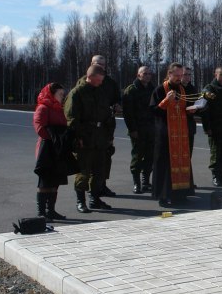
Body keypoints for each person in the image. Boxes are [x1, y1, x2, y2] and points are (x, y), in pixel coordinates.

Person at [65, 65, 115, 213]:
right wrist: (78, 137)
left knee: (100, 172)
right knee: (83, 171)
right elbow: (71, 118)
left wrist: (109, 136)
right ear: (91, 77)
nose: (101, 82)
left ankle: (95, 199)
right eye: (99, 79)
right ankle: (81, 201)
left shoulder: (101, 93)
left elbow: (107, 115)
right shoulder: (77, 93)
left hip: (100, 138)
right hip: (85, 138)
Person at [150, 63, 197, 206]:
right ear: (169, 74)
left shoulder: (182, 89)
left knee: (182, 162)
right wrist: (165, 101)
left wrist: (192, 110)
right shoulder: (160, 89)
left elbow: (183, 109)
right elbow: (153, 111)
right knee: (164, 165)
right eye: (176, 75)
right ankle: (163, 197)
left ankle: (180, 195)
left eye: (180, 75)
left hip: (181, 134)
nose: (179, 78)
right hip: (165, 134)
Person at [77, 54, 121, 197]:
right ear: (91, 64)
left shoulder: (110, 83)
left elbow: (117, 99)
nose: (101, 66)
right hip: (88, 130)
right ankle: (86, 194)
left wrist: (116, 106)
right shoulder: (82, 84)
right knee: (86, 163)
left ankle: (101, 186)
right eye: (98, 64)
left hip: (105, 127)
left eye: (103, 64)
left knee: (104, 159)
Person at [33, 82, 73, 220]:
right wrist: (56, 138)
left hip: (57, 149)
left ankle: (51, 210)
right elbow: (40, 129)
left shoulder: (59, 109)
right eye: (60, 94)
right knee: (45, 182)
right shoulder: (43, 108)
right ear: (52, 94)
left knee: (55, 181)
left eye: (63, 94)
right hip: (46, 149)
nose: (63, 97)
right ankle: (41, 212)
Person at [121, 66, 154, 194]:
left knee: (150, 156)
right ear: (138, 75)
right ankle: (137, 183)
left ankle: (146, 181)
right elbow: (128, 113)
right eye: (145, 73)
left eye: (149, 74)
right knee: (137, 156)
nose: (147, 76)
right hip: (138, 129)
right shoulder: (131, 90)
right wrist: (132, 129)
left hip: (151, 129)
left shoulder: (153, 89)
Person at [201, 66, 222, 186]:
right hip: (214, 125)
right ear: (215, 74)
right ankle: (215, 175)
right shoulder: (209, 89)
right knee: (216, 151)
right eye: (221, 75)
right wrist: (207, 127)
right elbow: (204, 110)